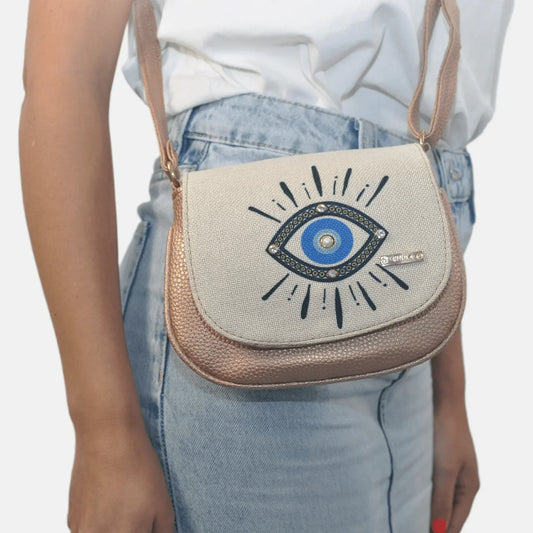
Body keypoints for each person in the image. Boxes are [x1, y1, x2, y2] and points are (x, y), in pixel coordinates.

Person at [19, 1, 513, 532]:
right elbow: (63, 76)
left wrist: (447, 392)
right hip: (235, 297)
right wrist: (103, 431)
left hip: (409, 279)